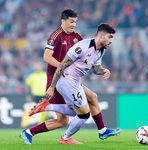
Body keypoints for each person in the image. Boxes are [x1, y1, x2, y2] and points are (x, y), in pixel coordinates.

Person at [20, 8, 121, 145]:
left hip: (71, 79)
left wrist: (101, 70)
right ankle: (41, 123)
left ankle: (102, 130)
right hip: (56, 78)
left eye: (75, 22)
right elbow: (46, 57)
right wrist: (58, 76)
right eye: (71, 21)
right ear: (63, 21)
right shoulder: (55, 36)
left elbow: (88, 58)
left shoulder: (78, 37)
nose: (73, 25)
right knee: (64, 120)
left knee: (92, 97)